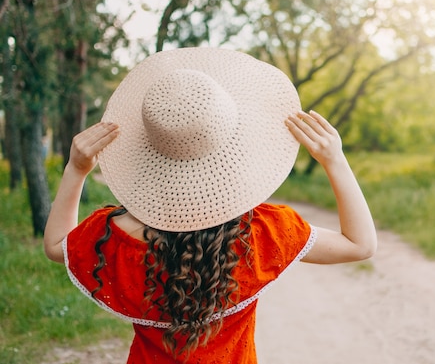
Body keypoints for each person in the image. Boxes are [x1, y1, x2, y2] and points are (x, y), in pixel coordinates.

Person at [43, 47, 377, 364]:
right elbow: (359, 245)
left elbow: (58, 246)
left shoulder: (113, 235)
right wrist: (335, 161)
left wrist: (76, 170)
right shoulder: (260, 233)